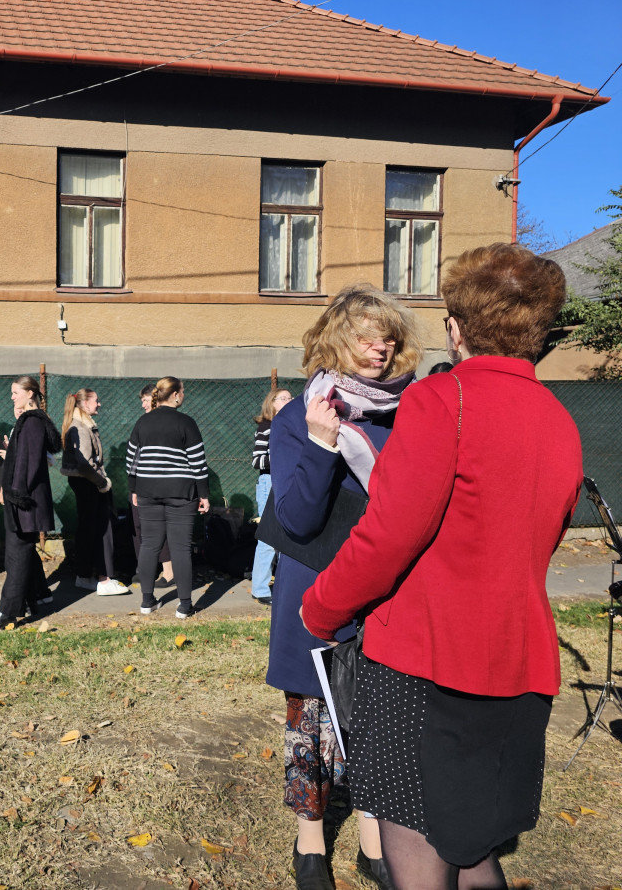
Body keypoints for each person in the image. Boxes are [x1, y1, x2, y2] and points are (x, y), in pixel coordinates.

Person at [301, 244, 581, 890]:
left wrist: (320, 607)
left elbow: (388, 535)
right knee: (478, 849)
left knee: (419, 862)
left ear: (457, 326)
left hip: (424, 668)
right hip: (518, 668)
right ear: (537, 331)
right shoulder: (561, 422)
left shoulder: (440, 400)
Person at [266, 285, 422, 890]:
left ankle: (371, 838)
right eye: (364, 334)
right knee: (312, 721)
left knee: (380, 718)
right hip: (318, 591)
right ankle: (310, 841)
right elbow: (299, 518)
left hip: (389, 595)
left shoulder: (408, 414)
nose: (379, 346)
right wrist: (323, 442)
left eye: (387, 335)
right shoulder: (298, 416)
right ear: (337, 339)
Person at [0, 376, 61, 631]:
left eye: (16, 392)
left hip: (24, 501)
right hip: (24, 499)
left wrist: (14, 493)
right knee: (22, 552)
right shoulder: (30, 421)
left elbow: (31, 464)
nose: (12, 397)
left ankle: (6, 613)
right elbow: (23, 458)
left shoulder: (32, 422)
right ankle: (33, 598)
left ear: (30, 393)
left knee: (16, 557)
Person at [126, 376, 210, 619]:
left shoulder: (142, 422)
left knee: (149, 544)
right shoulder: (187, 423)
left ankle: (146, 601)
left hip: (147, 492)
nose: (183, 395)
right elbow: (198, 462)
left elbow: (132, 461)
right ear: (174, 395)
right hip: (181, 493)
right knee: (180, 547)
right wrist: (203, 494)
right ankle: (184, 606)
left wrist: (133, 489)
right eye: (182, 391)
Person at [61, 388, 128, 596]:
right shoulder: (80, 427)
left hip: (86, 483)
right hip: (88, 484)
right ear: (85, 403)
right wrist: (102, 483)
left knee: (88, 529)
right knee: (100, 530)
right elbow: (84, 464)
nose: (99, 404)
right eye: (96, 401)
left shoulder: (81, 425)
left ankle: (85, 576)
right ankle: (104, 579)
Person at [250, 386, 293, 603]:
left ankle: (284, 586)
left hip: (288, 483)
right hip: (270, 483)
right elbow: (257, 460)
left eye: (290, 397)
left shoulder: (292, 426)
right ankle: (260, 589)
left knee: (287, 537)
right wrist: (283, 458)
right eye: (282, 398)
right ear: (272, 403)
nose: (288, 400)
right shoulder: (266, 426)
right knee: (268, 539)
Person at [132, 383, 175, 588]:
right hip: (143, 484)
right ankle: (146, 569)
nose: (142, 405)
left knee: (159, 527)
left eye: (145, 400)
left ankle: (169, 572)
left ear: (156, 399)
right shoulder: (145, 422)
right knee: (141, 526)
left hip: (158, 486)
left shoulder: (165, 423)